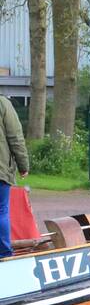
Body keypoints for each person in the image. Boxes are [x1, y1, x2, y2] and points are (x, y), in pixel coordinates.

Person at [0, 95, 28, 258]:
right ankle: (4, 254)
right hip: (1, 170)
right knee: (1, 211)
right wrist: (23, 165)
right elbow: (15, 137)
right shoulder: (3, 104)